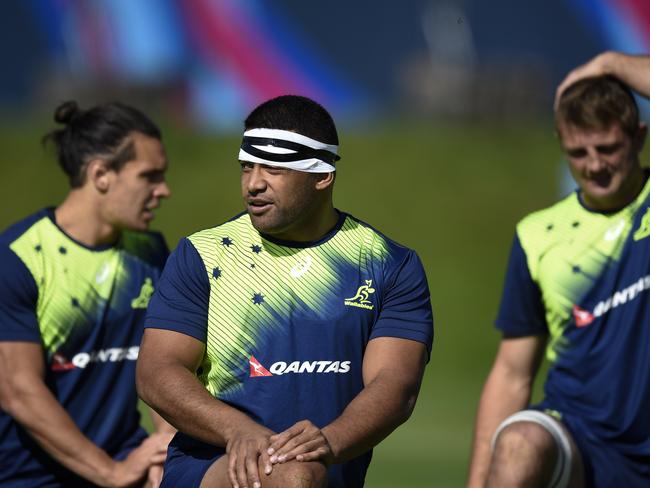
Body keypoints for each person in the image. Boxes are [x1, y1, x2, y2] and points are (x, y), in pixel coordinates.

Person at [136, 95, 434, 488]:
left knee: (299, 473)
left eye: (273, 168)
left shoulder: (389, 263)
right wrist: (237, 430)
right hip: (211, 464)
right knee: (293, 476)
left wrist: (326, 443)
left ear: (322, 174)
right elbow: (157, 371)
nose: (253, 184)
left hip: (324, 472)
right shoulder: (202, 255)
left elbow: (396, 385)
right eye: (246, 167)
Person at [467, 52, 650, 488]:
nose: (594, 165)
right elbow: (512, 371)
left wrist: (611, 64)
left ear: (639, 137)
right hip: (580, 439)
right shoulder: (538, 235)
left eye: (607, 148)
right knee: (518, 443)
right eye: (578, 152)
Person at [0, 100, 174, 487]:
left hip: (128, 460)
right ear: (101, 175)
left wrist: (166, 442)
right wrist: (110, 473)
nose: (164, 190)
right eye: (150, 176)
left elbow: (165, 360)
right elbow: (19, 390)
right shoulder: (19, 259)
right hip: (33, 477)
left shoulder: (149, 252)